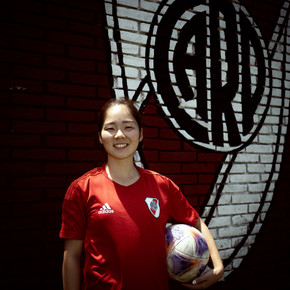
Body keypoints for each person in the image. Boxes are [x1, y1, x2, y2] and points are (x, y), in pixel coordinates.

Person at [59, 97, 224, 290]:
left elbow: (196, 222)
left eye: (128, 127)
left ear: (141, 134)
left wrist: (218, 266)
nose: (119, 135)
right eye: (110, 128)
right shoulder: (81, 189)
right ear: (100, 136)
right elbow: (71, 256)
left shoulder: (162, 186)